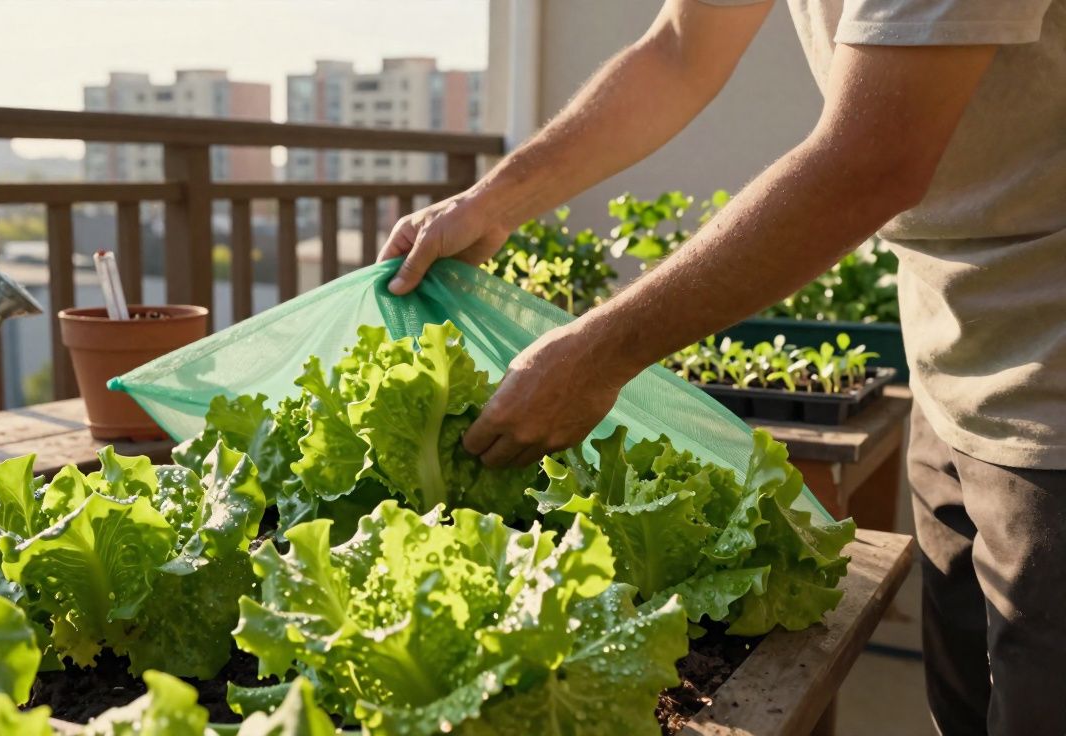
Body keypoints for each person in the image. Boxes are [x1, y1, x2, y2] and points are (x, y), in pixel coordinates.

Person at [379, 1, 1064, 734]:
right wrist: (494, 201)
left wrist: (596, 355)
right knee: (966, 701)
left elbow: (871, 162)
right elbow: (679, 50)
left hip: (1049, 375)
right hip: (951, 348)